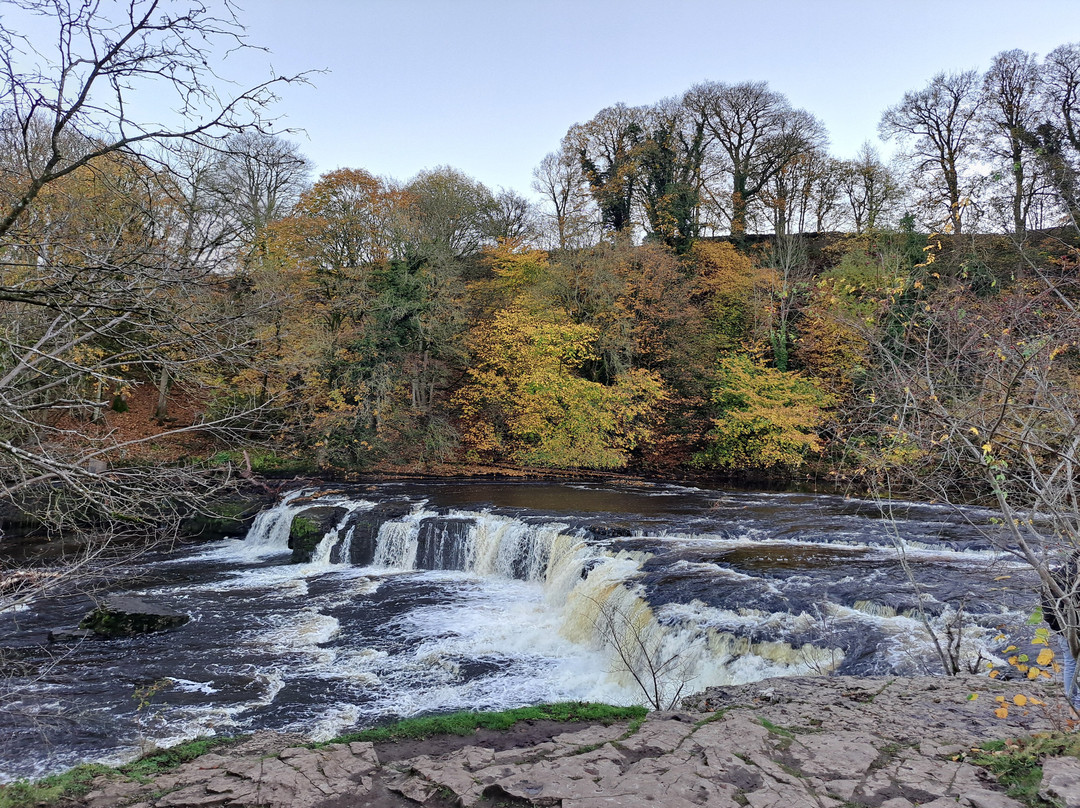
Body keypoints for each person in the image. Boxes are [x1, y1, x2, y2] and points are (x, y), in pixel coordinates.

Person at [1041, 551, 1080, 713]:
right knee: (1071, 664)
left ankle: (1073, 705)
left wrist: (1056, 627)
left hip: (1064, 629)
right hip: (1068, 628)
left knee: (1070, 663)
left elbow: (1047, 608)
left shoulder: (1055, 575)